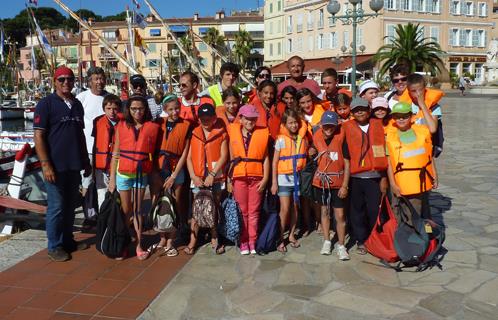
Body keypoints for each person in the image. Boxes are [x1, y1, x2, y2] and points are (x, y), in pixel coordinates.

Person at [34, 66, 91, 262]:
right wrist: (45, 164)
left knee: (69, 206)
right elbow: (39, 136)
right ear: (54, 81)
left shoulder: (77, 104)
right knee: (56, 207)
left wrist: (85, 160)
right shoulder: (45, 104)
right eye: (62, 79)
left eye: (70, 79)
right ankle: (54, 246)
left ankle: (68, 240)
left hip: (74, 165)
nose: (66, 83)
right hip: (55, 167)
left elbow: (80, 135)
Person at [108, 95, 160, 260]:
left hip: (140, 175)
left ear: (146, 109)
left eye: (141, 108)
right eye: (134, 109)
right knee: (126, 211)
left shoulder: (152, 127)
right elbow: (115, 155)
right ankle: (122, 243)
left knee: (137, 211)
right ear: (128, 110)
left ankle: (138, 244)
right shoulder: (121, 126)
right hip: (123, 175)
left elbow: (155, 154)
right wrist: (112, 180)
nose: (138, 112)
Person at [342, 97, 388, 255]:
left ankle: (373, 238)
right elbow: (345, 156)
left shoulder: (379, 125)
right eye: (355, 110)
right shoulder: (346, 127)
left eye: (362, 109)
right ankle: (361, 240)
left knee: (374, 211)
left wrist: (384, 178)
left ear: (369, 110)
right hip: (355, 179)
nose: (359, 112)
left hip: (375, 178)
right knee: (357, 211)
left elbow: (385, 155)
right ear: (352, 113)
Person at [185, 103, 229, 255]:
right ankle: (193, 240)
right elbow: (189, 158)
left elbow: (224, 156)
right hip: (197, 179)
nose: (205, 120)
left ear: (214, 117)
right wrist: (193, 176)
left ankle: (215, 236)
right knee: (196, 210)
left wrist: (211, 175)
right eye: (202, 118)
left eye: (208, 118)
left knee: (214, 208)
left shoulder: (221, 133)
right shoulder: (195, 133)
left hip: (215, 178)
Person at [227, 105, 270, 255]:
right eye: (247, 118)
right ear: (241, 119)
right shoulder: (234, 132)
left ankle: (253, 240)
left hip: (256, 177)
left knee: (254, 211)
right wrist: (229, 180)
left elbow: (266, 158)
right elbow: (232, 158)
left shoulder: (262, 133)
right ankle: (243, 240)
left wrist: (265, 178)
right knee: (242, 211)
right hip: (239, 177)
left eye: (253, 118)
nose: (250, 121)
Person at [153, 94, 191, 257]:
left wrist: (175, 175)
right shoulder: (158, 124)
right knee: (159, 202)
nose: (175, 112)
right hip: (160, 167)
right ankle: (162, 236)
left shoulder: (187, 125)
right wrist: (155, 172)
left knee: (174, 203)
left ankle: (171, 240)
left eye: (177, 108)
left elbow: (185, 153)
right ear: (164, 110)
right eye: (171, 109)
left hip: (177, 168)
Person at [386, 102, 436, 223]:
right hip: (403, 183)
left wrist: (435, 175)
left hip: (422, 181)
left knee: (422, 212)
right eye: (397, 116)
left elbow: (428, 155)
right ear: (393, 118)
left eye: (405, 116)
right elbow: (389, 164)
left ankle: (424, 237)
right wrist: (392, 184)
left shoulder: (422, 131)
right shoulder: (389, 137)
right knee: (407, 213)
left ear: (411, 116)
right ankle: (410, 237)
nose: (401, 119)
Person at [312, 111, 350, 260]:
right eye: (326, 125)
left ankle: (341, 245)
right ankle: (327, 241)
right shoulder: (316, 137)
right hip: (321, 182)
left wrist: (345, 185)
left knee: (340, 215)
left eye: (332, 126)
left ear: (336, 126)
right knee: (324, 212)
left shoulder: (341, 138)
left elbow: (347, 163)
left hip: (338, 183)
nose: (328, 129)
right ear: (321, 125)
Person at [271, 109, 309, 252]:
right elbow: (275, 162)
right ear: (285, 124)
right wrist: (274, 182)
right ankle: (280, 238)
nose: (294, 126)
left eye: (295, 123)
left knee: (294, 207)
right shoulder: (280, 140)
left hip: (297, 179)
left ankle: (292, 235)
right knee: (285, 209)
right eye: (290, 123)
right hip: (284, 179)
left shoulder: (302, 138)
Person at [76, 67, 108, 228]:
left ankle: (104, 214)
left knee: (103, 183)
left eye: (101, 78)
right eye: (96, 79)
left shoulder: (110, 99)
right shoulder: (81, 98)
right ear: (89, 81)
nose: (99, 82)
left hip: (105, 151)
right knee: (87, 182)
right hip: (87, 149)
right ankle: (89, 216)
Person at [92, 94, 122, 209]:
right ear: (104, 108)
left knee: (118, 193)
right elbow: (96, 144)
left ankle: (118, 219)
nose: (112, 112)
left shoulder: (124, 122)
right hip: (101, 165)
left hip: (118, 165)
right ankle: (103, 218)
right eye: (108, 109)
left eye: (115, 108)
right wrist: (93, 165)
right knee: (102, 192)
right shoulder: (98, 121)